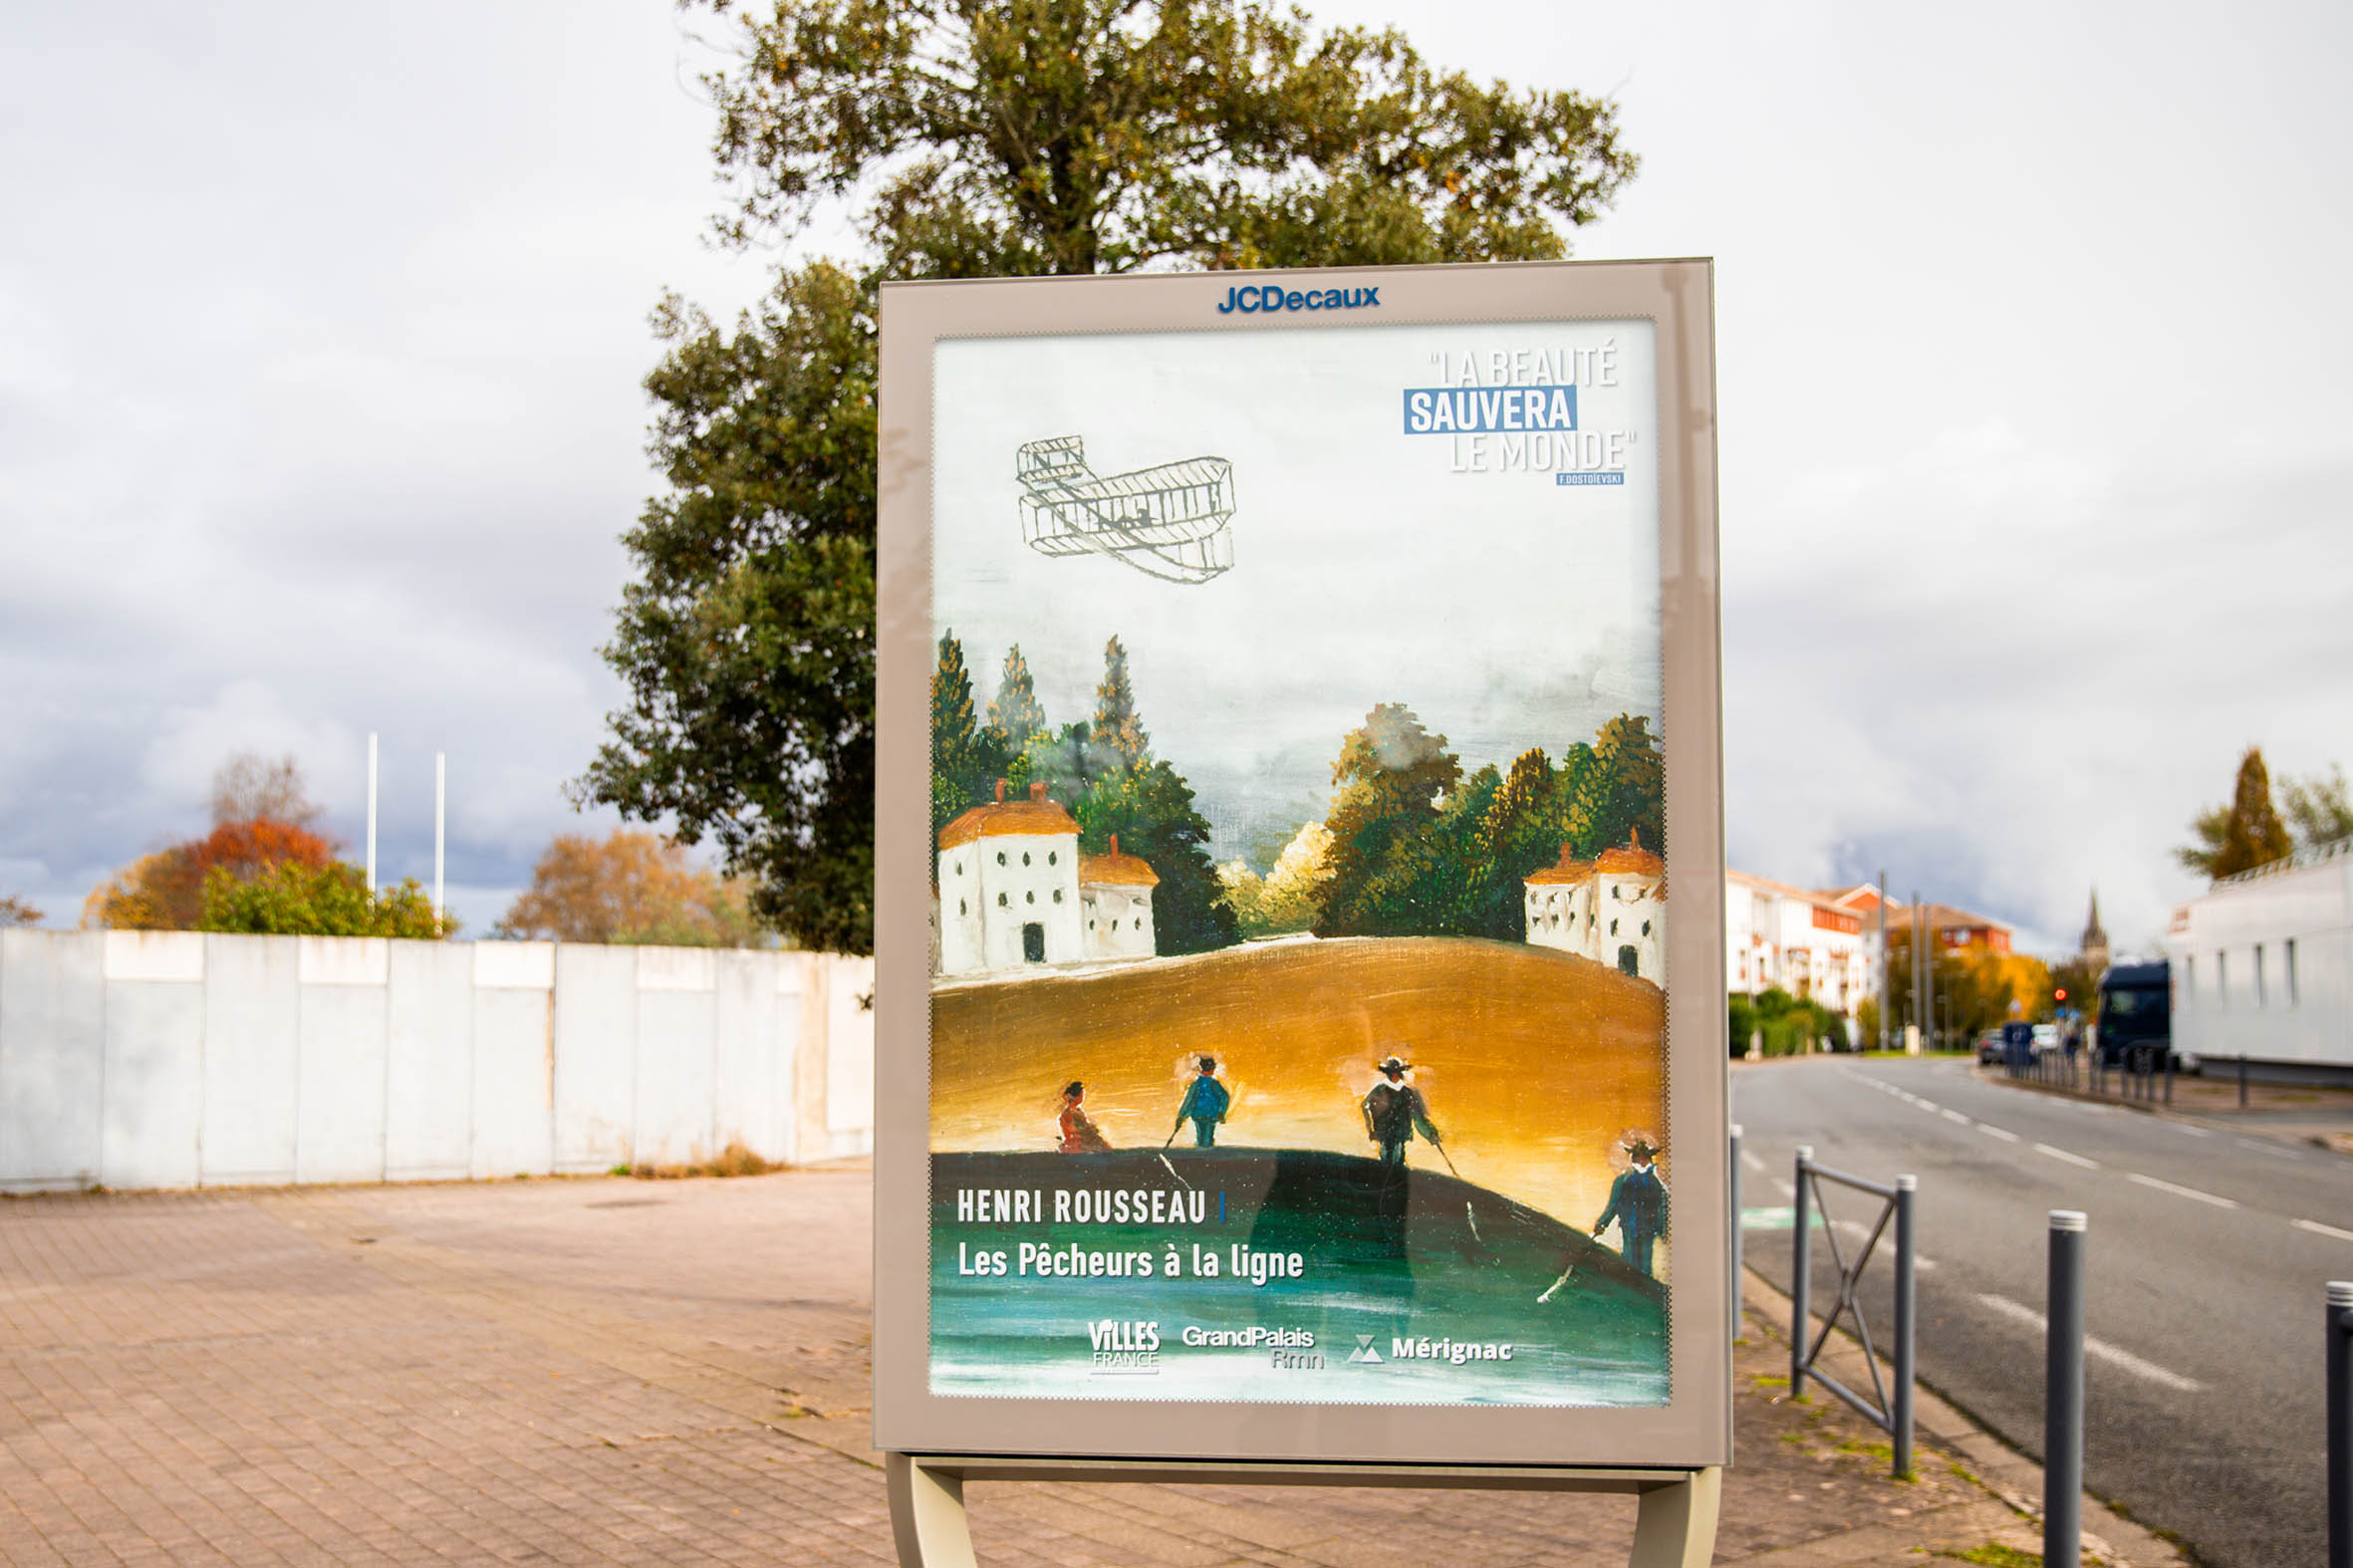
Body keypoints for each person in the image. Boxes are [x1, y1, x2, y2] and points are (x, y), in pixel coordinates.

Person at [1592, 1137, 1669, 1276]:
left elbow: (1661, 1207)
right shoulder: (1622, 1180)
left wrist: (1663, 1230)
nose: (1641, 1160)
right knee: (1629, 1264)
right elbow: (1613, 1205)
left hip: (1647, 1230)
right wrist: (1602, 1223)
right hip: (1629, 1228)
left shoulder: (1654, 1182)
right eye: (1638, 1157)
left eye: (1644, 1158)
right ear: (1633, 1159)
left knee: (1645, 1266)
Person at [1361, 1054, 1441, 1167]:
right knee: (1386, 1159)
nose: (1394, 1075)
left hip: (1400, 1132)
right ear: (1388, 1074)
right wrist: (1370, 1128)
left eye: (1396, 1072)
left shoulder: (1408, 1093)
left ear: (1400, 1074)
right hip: (1384, 1132)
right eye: (1391, 1073)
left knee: (1398, 1158)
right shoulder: (1380, 1090)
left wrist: (1430, 1134)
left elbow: (1418, 1117)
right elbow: (1364, 1105)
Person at [1172, 1056, 1230, 1148]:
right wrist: (1221, 1112)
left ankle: (1202, 1149)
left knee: (1202, 1134)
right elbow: (1225, 1098)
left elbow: (1189, 1102)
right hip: (1212, 1114)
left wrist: (1182, 1116)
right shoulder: (1214, 1084)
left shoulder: (1195, 1085)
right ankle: (1207, 1150)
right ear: (1212, 1070)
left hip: (1198, 1114)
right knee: (1209, 1134)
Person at [1057, 1082, 1112, 1153]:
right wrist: (1090, 1128)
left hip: (1082, 1140)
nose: (1083, 1097)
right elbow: (1075, 1129)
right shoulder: (1069, 1113)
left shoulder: (1078, 1111)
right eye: (1082, 1095)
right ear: (1076, 1097)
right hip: (1076, 1143)